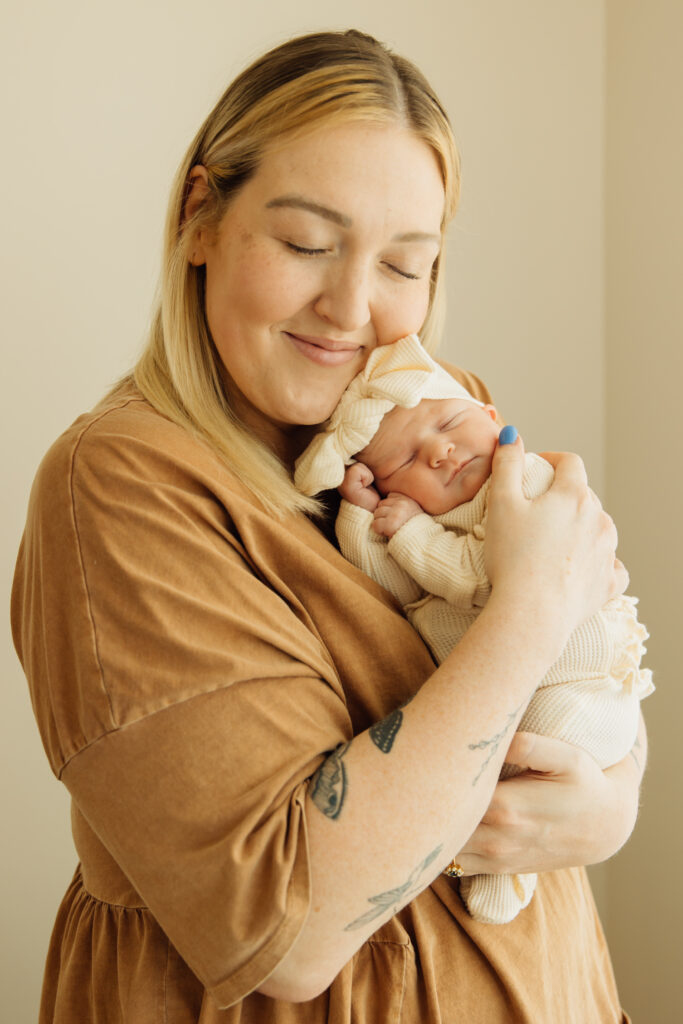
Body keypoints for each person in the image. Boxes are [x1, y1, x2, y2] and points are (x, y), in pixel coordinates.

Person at [10, 28, 645, 1023]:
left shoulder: (442, 412)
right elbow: (288, 926)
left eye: (406, 264)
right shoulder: (124, 483)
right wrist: (529, 606)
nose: (351, 308)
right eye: (307, 243)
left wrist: (613, 799)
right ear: (200, 218)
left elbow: (584, 655)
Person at [295, 332, 654, 925]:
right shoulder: (428, 516)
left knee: (526, 756)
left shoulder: (526, 485)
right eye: (407, 461)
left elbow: (492, 583)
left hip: (577, 682)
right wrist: (361, 516)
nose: (439, 451)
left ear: (493, 417)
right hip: (531, 689)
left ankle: (505, 867)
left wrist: (410, 531)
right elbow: (392, 587)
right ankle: (500, 860)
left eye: (453, 423)